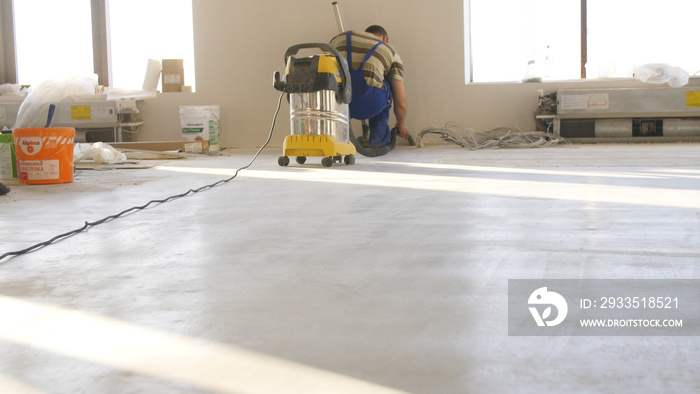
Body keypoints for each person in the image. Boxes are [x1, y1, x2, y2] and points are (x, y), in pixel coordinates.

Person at [330, 25, 409, 148]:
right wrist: (400, 125)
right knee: (386, 83)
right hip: (370, 103)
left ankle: (336, 139)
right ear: (385, 38)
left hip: (339, 103)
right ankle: (378, 140)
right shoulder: (389, 50)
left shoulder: (339, 39)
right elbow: (401, 103)